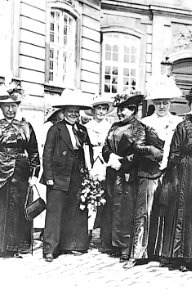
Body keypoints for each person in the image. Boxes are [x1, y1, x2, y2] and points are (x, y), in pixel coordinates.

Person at [157, 86, 192, 272]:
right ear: (190, 105)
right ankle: (180, 256)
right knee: (183, 212)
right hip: (185, 172)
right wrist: (176, 172)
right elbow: (174, 152)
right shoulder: (182, 126)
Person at [100, 89, 154, 262]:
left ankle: (125, 245)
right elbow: (105, 146)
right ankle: (111, 244)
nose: (121, 112)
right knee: (111, 206)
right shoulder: (114, 126)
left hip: (129, 174)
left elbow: (139, 152)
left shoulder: (139, 128)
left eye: (125, 109)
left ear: (133, 110)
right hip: (112, 172)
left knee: (126, 209)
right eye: (119, 109)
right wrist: (110, 156)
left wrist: (123, 162)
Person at [42, 89, 93, 262]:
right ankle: (50, 248)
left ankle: (73, 244)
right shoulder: (55, 129)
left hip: (77, 175)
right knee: (55, 212)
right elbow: (47, 153)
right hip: (58, 175)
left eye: (76, 112)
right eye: (70, 111)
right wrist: (48, 176)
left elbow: (88, 153)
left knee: (75, 210)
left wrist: (88, 174)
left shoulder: (82, 130)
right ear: (63, 113)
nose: (73, 114)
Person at [140, 75, 183, 264]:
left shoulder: (177, 122)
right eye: (158, 103)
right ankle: (143, 251)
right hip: (150, 170)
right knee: (147, 210)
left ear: (170, 103)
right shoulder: (145, 122)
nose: (162, 106)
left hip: (170, 171)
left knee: (167, 210)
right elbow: (139, 146)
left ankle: (163, 251)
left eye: (165, 103)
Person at [0, 83, 39, 258]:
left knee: (18, 207)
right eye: (6, 106)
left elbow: (33, 151)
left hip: (20, 170)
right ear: (1, 107)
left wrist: (34, 174)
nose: (10, 109)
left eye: (13, 106)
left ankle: (16, 246)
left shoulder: (26, 126)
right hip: (1, 170)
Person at [84, 95, 114, 232]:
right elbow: (84, 147)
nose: (101, 112)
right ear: (94, 110)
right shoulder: (86, 127)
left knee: (105, 195)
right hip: (91, 161)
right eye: (99, 109)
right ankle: (88, 229)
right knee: (90, 194)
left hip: (105, 162)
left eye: (104, 109)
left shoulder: (110, 127)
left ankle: (104, 232)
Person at [34, 107, 64, 238]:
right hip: (46, 165)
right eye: (62, 112)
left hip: (56, 168)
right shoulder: (49, 127)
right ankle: (43, 230)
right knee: (45, 198)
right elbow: (42, 147)